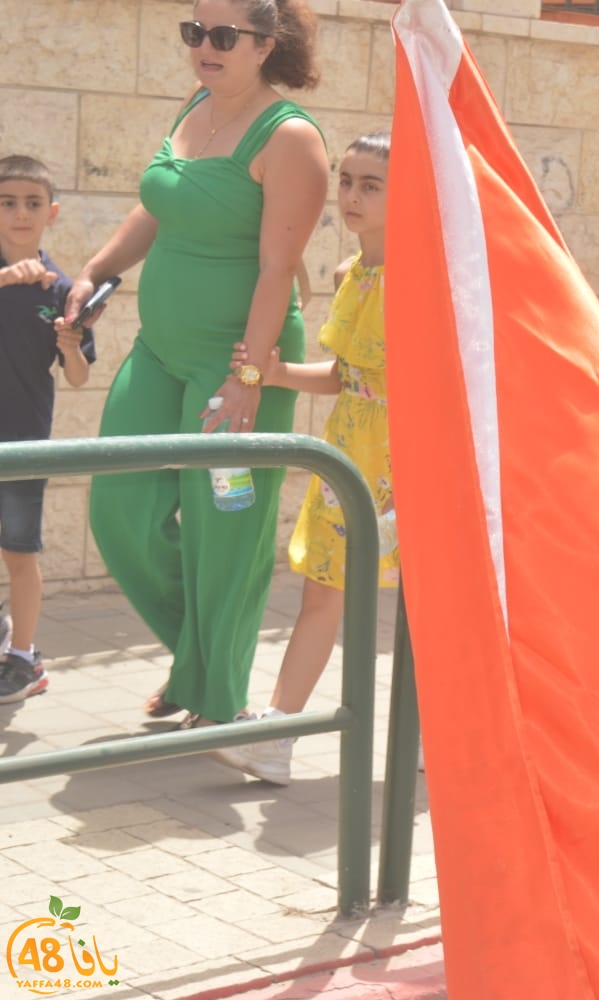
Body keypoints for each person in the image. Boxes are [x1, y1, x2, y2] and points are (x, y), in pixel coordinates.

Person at [63, 0, 328, 728]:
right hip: (160, 350)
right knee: (121, 512)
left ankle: (215, 695)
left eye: (221, 36)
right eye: (194, 32)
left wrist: (246, 382)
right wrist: (97, 269)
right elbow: (159, 205)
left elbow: (278, 268)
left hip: (237, 362)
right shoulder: (197, 103)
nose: (203, 48)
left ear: (265, 44)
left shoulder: (292, 139)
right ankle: (198, 656)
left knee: (224, 532)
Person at [212, 131, 395, 784]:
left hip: (406, 462)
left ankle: (437, 741)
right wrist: (275, 371)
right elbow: (349, 377)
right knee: (323, 592)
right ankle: (279, 733)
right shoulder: (351, 275)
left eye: (370, 185)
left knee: (430, 612)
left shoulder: (425, 281)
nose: (350, 196)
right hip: (348, 452)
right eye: (347, 181)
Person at [0, 155, 96, 704]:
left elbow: (79, 375)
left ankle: (25, 658)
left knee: (19, 550)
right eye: (8, 202)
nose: (20, 213)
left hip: (23, 440)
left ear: (51, 213)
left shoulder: (62, 291)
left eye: (32, 203)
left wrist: (69, 346)